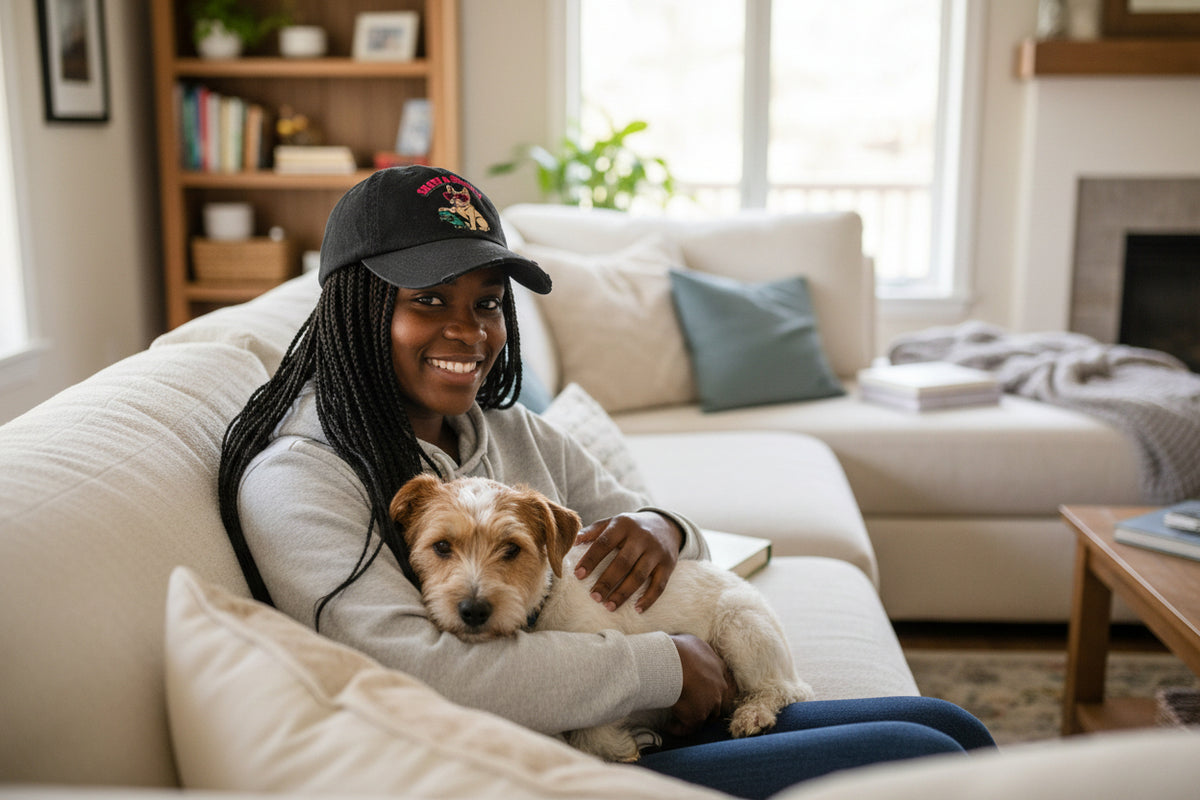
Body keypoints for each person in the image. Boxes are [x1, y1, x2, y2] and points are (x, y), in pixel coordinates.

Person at [218, 165, 994, 799]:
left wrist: (663, 527)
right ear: (354, 307)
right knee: (921, 755)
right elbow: (423, 670)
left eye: (487, 304)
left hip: (628, 718)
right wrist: (663, 666)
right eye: (428, 301)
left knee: (954, 727)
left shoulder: (509, 432)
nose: (471, 332)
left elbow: (639, 521)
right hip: (526, 764)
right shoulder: (300, 475)